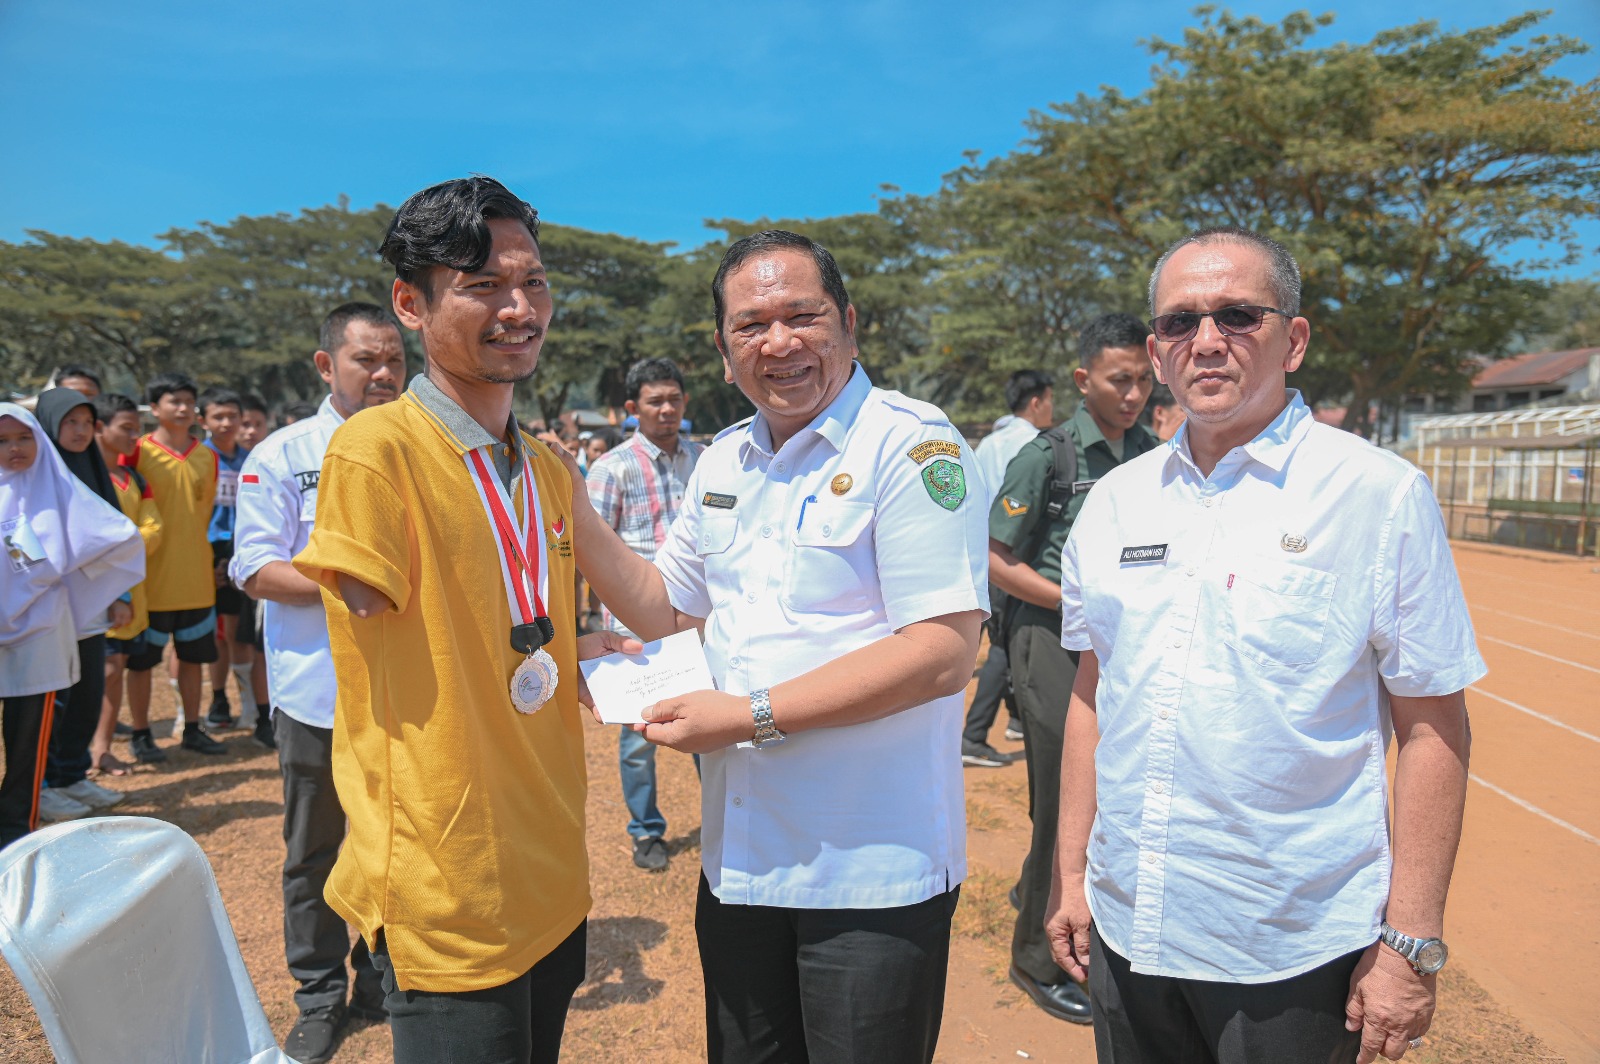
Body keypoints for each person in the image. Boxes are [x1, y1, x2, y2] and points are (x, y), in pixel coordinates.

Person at [1045, 227, 1483, 1064]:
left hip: (1289, 946)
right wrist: (1072, 877)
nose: (1206, 341)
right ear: (1156, 349)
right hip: (1129, 921)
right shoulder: (1115, 503)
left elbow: (1433, 727)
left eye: (1238, 315)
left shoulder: (1376, 495)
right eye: (1180, 323)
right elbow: (1094, 698)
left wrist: (1411, 941)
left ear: (1296, 339)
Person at [570, 229, 988, 1064]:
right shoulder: (726, 460)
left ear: (849, 322)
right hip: (743, 863)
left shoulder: (911, 443)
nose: (779, 342)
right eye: (751, 326)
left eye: (803, 315)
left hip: (868, 870)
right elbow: (667, 606)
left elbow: (943, 650)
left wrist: (749, 716)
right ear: (724, 353)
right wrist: (569, 508)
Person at [292, 177, 637, 1064]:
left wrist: (583, 647)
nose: (519, 308)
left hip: (550, 861)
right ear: (411, 304)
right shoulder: (375, 451)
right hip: (447, 881)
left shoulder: (548, 470)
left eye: (534, 282)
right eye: (482, 285)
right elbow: (382, 619)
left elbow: (517, 626)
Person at [230, 302, 406, 1062]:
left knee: (398, 844)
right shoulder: (281, 454)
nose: (385, 374)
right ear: (326, 366)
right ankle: (319, 994)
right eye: (368, 359)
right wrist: (349, 580)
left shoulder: (420, 445)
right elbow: (255, 567)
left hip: (407, 693)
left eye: (396, 359)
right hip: (318, 695)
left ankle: (384, 981)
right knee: (315, 850)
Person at [989, 312, 1157, 1025]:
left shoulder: (1155, 453)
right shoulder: (1048, 455)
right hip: (1051, 645)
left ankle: (1065, 915)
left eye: (1146, 380)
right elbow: (996, 558)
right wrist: (1073, 600)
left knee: (1110, 798)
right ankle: (1035, 958)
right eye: (1121, 380)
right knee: (1063, 801)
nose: (1136, 394)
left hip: (1120, 653)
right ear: (1084, 380)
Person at [1, 403, 142, 848]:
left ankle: (15, 834)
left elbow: (116, 538)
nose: (14, 449)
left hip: (40, 633)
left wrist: (62, 575)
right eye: (2, 441)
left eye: (23, 438)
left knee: (27, 739)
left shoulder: (57, 488)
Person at [585, 357, 703, 872]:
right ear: (633, 409)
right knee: (638, 738)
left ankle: (726, 820)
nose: (667, 409)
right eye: (655, 401)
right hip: (633, 630)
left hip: (699, 620)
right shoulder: (612, 468)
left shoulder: (704, 461)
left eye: (674, 398)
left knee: (710, 726)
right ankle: (646, 831)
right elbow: (591, 547)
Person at [32, 389, 137, 819]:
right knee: (52, 701)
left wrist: (119, 593)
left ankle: (71, 775)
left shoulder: (93, 468)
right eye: (68, 423)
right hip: (47, 609)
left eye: (85, 423)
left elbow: (112, 536)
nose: (78, 432)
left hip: (91, 606)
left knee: (87, 692)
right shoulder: (34, 473)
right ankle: (41, 782)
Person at [121, 372, 226, 759]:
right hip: (149, 579)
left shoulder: (207, 455)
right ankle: (141, 732)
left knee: (193, 659)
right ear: (155, 408)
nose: (182, 408)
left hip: (196, 577)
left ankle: (193, 729)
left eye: (187, 401)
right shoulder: (136, 452)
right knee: (142, 663)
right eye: (173, 401)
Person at [962, 369, 1056, 768]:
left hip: (984, 555)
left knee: (998, 639)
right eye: (1050, 399)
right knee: (1003, 646)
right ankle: (974, 736)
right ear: (1036, 402)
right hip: (1016, 561)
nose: (1052, 408)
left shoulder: (988, 443)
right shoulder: (1037, 444)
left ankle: (1017, 719)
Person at [89, 393, 162, 777]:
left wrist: (122, 542)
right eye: (127, 428)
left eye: (138, 428)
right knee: (104, 670)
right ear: (100, 428)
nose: (136, 436)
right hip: (93, 596)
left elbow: (154, 531)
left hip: (132, 595)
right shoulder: (81, 479)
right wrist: (128, 542)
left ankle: (100, 749)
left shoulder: (134, 478)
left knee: (117, 668)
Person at [198, 388, 253, 730]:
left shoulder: (251, 458)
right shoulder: (200, 458)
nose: (227, 423)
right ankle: (217, 699)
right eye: (218, 416)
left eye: (233, 416)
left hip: (241, 549)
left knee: (239, 632)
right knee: (215, 633)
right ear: (202, 420)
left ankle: (250, 706)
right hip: (206, 551)